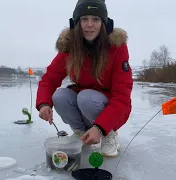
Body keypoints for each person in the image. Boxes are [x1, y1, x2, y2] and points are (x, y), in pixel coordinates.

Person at [36, 0, 133, 157]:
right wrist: (43, 104)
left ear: (104, 23)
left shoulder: (117, 47)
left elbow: (122, 95)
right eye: (84, 19)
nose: (89, 24)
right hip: (84, 103)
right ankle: (81, 133)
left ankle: (109, 135)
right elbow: (49, 78)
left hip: (110, 108)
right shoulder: (70, 46)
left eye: (95, 19)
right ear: (76, 22)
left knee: (86, 97)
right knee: (59, 96)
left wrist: (101, 127)